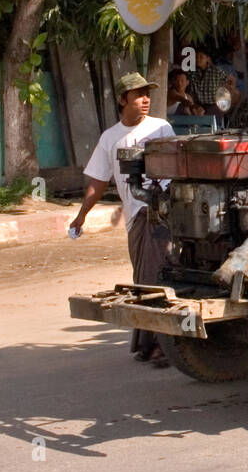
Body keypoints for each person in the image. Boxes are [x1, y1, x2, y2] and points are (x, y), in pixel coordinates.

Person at [68, 73, 175, 366]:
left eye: (146, 94)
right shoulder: (110, 138)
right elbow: (98, 182)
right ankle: (148, 341)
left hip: (160, 213)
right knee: (142, 278)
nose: (145, 100)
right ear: (122, 100)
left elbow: (176, 168)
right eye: (138, 94)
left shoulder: (161, 128)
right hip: (134, 217)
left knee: (153, 277)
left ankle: (161, 345)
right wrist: (81, 216)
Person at [187, 48, 240, 116]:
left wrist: (231, 89)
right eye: (196, 57)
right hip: (199, 107)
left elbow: (232, 79)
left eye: (201, 57)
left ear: (207, 59)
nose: (198, 59)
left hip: (213, 106)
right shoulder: (193, 73)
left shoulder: (216, 71)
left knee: (213, 124)